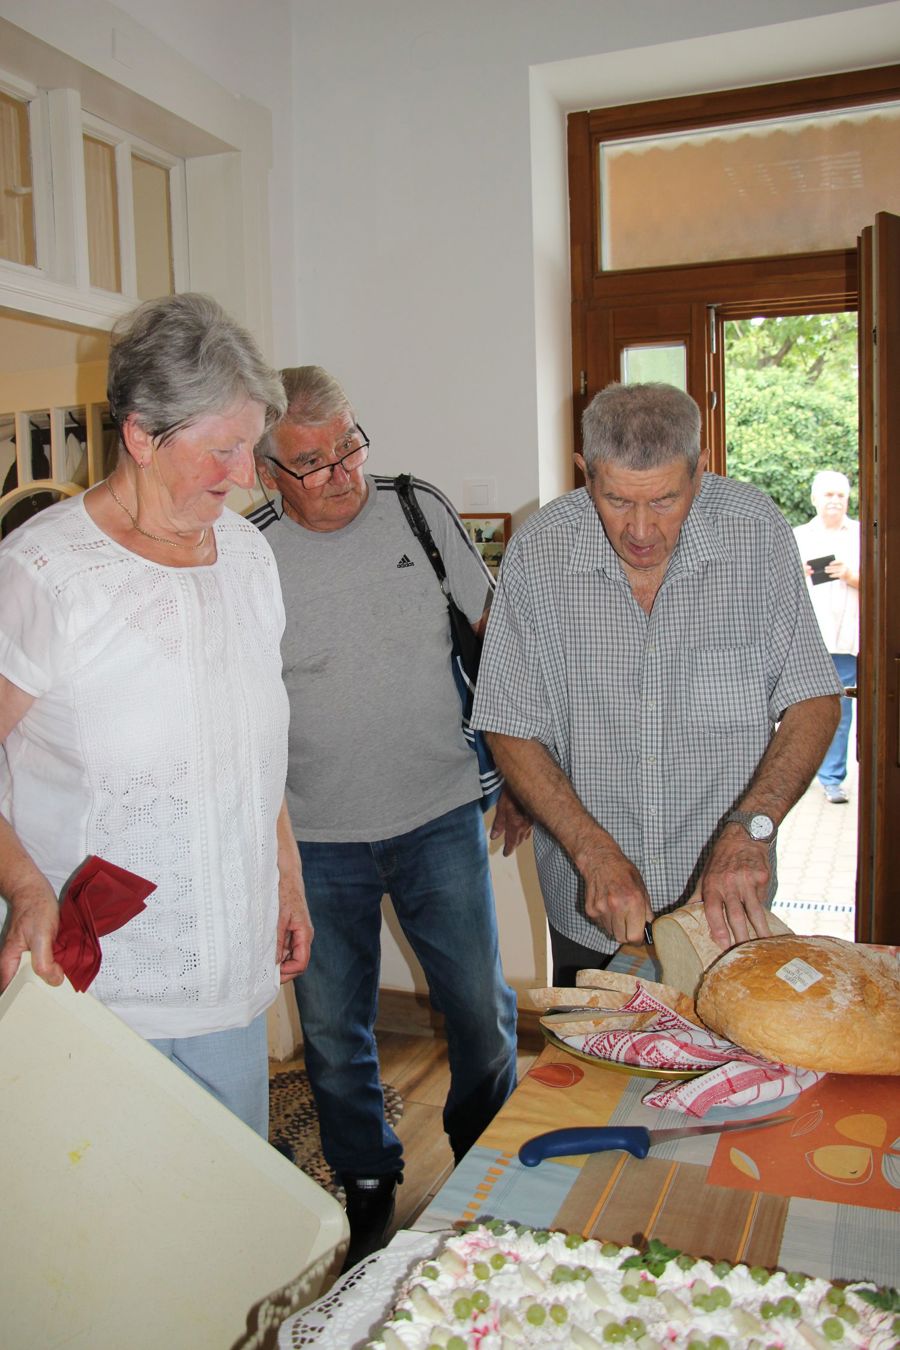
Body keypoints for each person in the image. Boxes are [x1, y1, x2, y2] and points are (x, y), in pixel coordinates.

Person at [0, 293, 311, 1137]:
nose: (245, 475)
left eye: (250, 447)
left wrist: (285, 877)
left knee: (230, 1197)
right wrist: (23, 887)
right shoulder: (46, 573)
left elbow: (251, 745)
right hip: (98, 983)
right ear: (141, 436)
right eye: (222, 450)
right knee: (115, 1205)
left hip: (231, 972)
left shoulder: (247, 556)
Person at [252, 366, 526, 1268]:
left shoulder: (416, 509)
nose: (343, 473)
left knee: (480, 1010)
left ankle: (483, 1162)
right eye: (314, 462)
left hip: (437, 813)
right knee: (335, 1033)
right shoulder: (248, 555)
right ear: (267, 474)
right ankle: (368, 1183)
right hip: (315, 840)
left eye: (350, 446)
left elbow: (496, 642)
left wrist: (521, 776)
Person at [471, 382, 843, 984]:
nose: (640, 530)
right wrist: (591, 850)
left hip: (724, 910)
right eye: (617, 500)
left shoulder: (755, 533)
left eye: (665, 500)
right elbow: (509, 726)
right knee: (600, 1047)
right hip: (590, 909)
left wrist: (753, 828)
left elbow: (813, 699)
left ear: (700, 470)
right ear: (586, 472)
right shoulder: (539, 551)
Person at [793, 471, 860, 804]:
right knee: (800, 711)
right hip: (806, 642)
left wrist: (850, 575)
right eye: (828, 494)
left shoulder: (861, 535)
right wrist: (798, 574)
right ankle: (798, 774)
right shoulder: (798, 536)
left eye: (840, 495)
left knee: (841, 713)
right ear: (814, 499)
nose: (835, 500)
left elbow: (882, 582)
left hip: (845, 640)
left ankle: (832, 778)